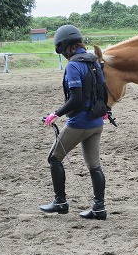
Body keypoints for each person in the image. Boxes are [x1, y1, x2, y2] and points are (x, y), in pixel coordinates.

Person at [40, 24, 110, 220]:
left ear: (64, 46)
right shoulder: (94, 61)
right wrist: (104, 111)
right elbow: (104, 91)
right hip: (97, 123)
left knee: (54, 158)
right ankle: (99, 208)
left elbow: (76, 99)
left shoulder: (73, 65)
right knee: (94, 165)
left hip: (79, 123)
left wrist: (56, 114)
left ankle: (60, 202)